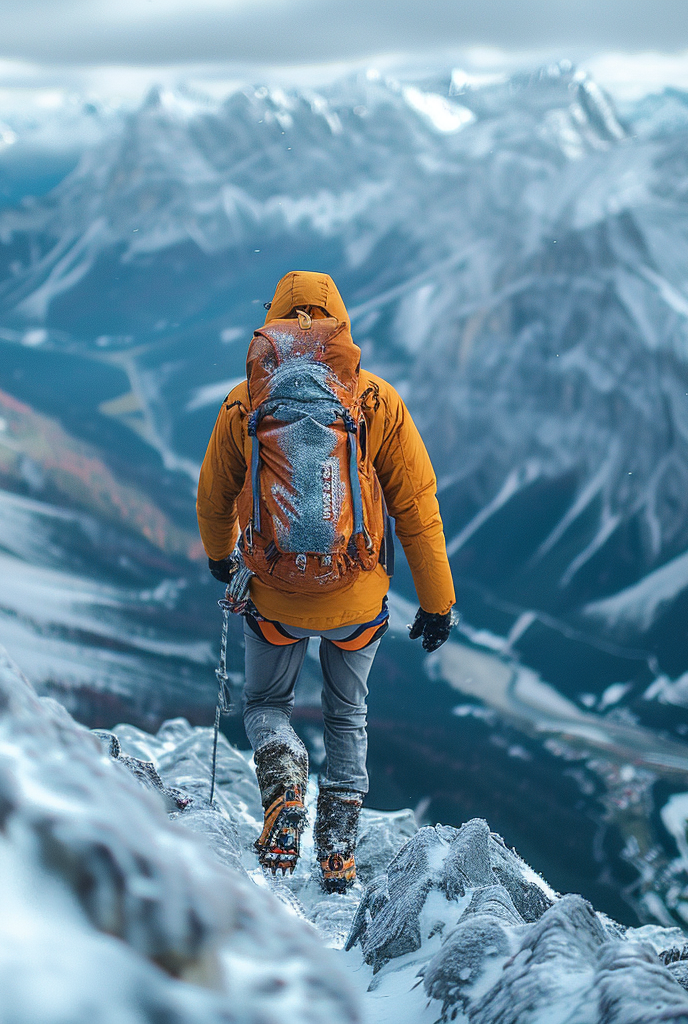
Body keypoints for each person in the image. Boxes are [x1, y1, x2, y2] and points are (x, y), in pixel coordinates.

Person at [197, 270, 455, 892]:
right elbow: (415, 505)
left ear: (274, 325)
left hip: (274, 592)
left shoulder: (245, 402)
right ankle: (338, 849)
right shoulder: (376, 401)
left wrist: (220, 558)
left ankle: (284, 783)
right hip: (358, 596)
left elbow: (215, 494)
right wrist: (437, 601)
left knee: (265, 704)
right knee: (348, 713)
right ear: (341, 324)